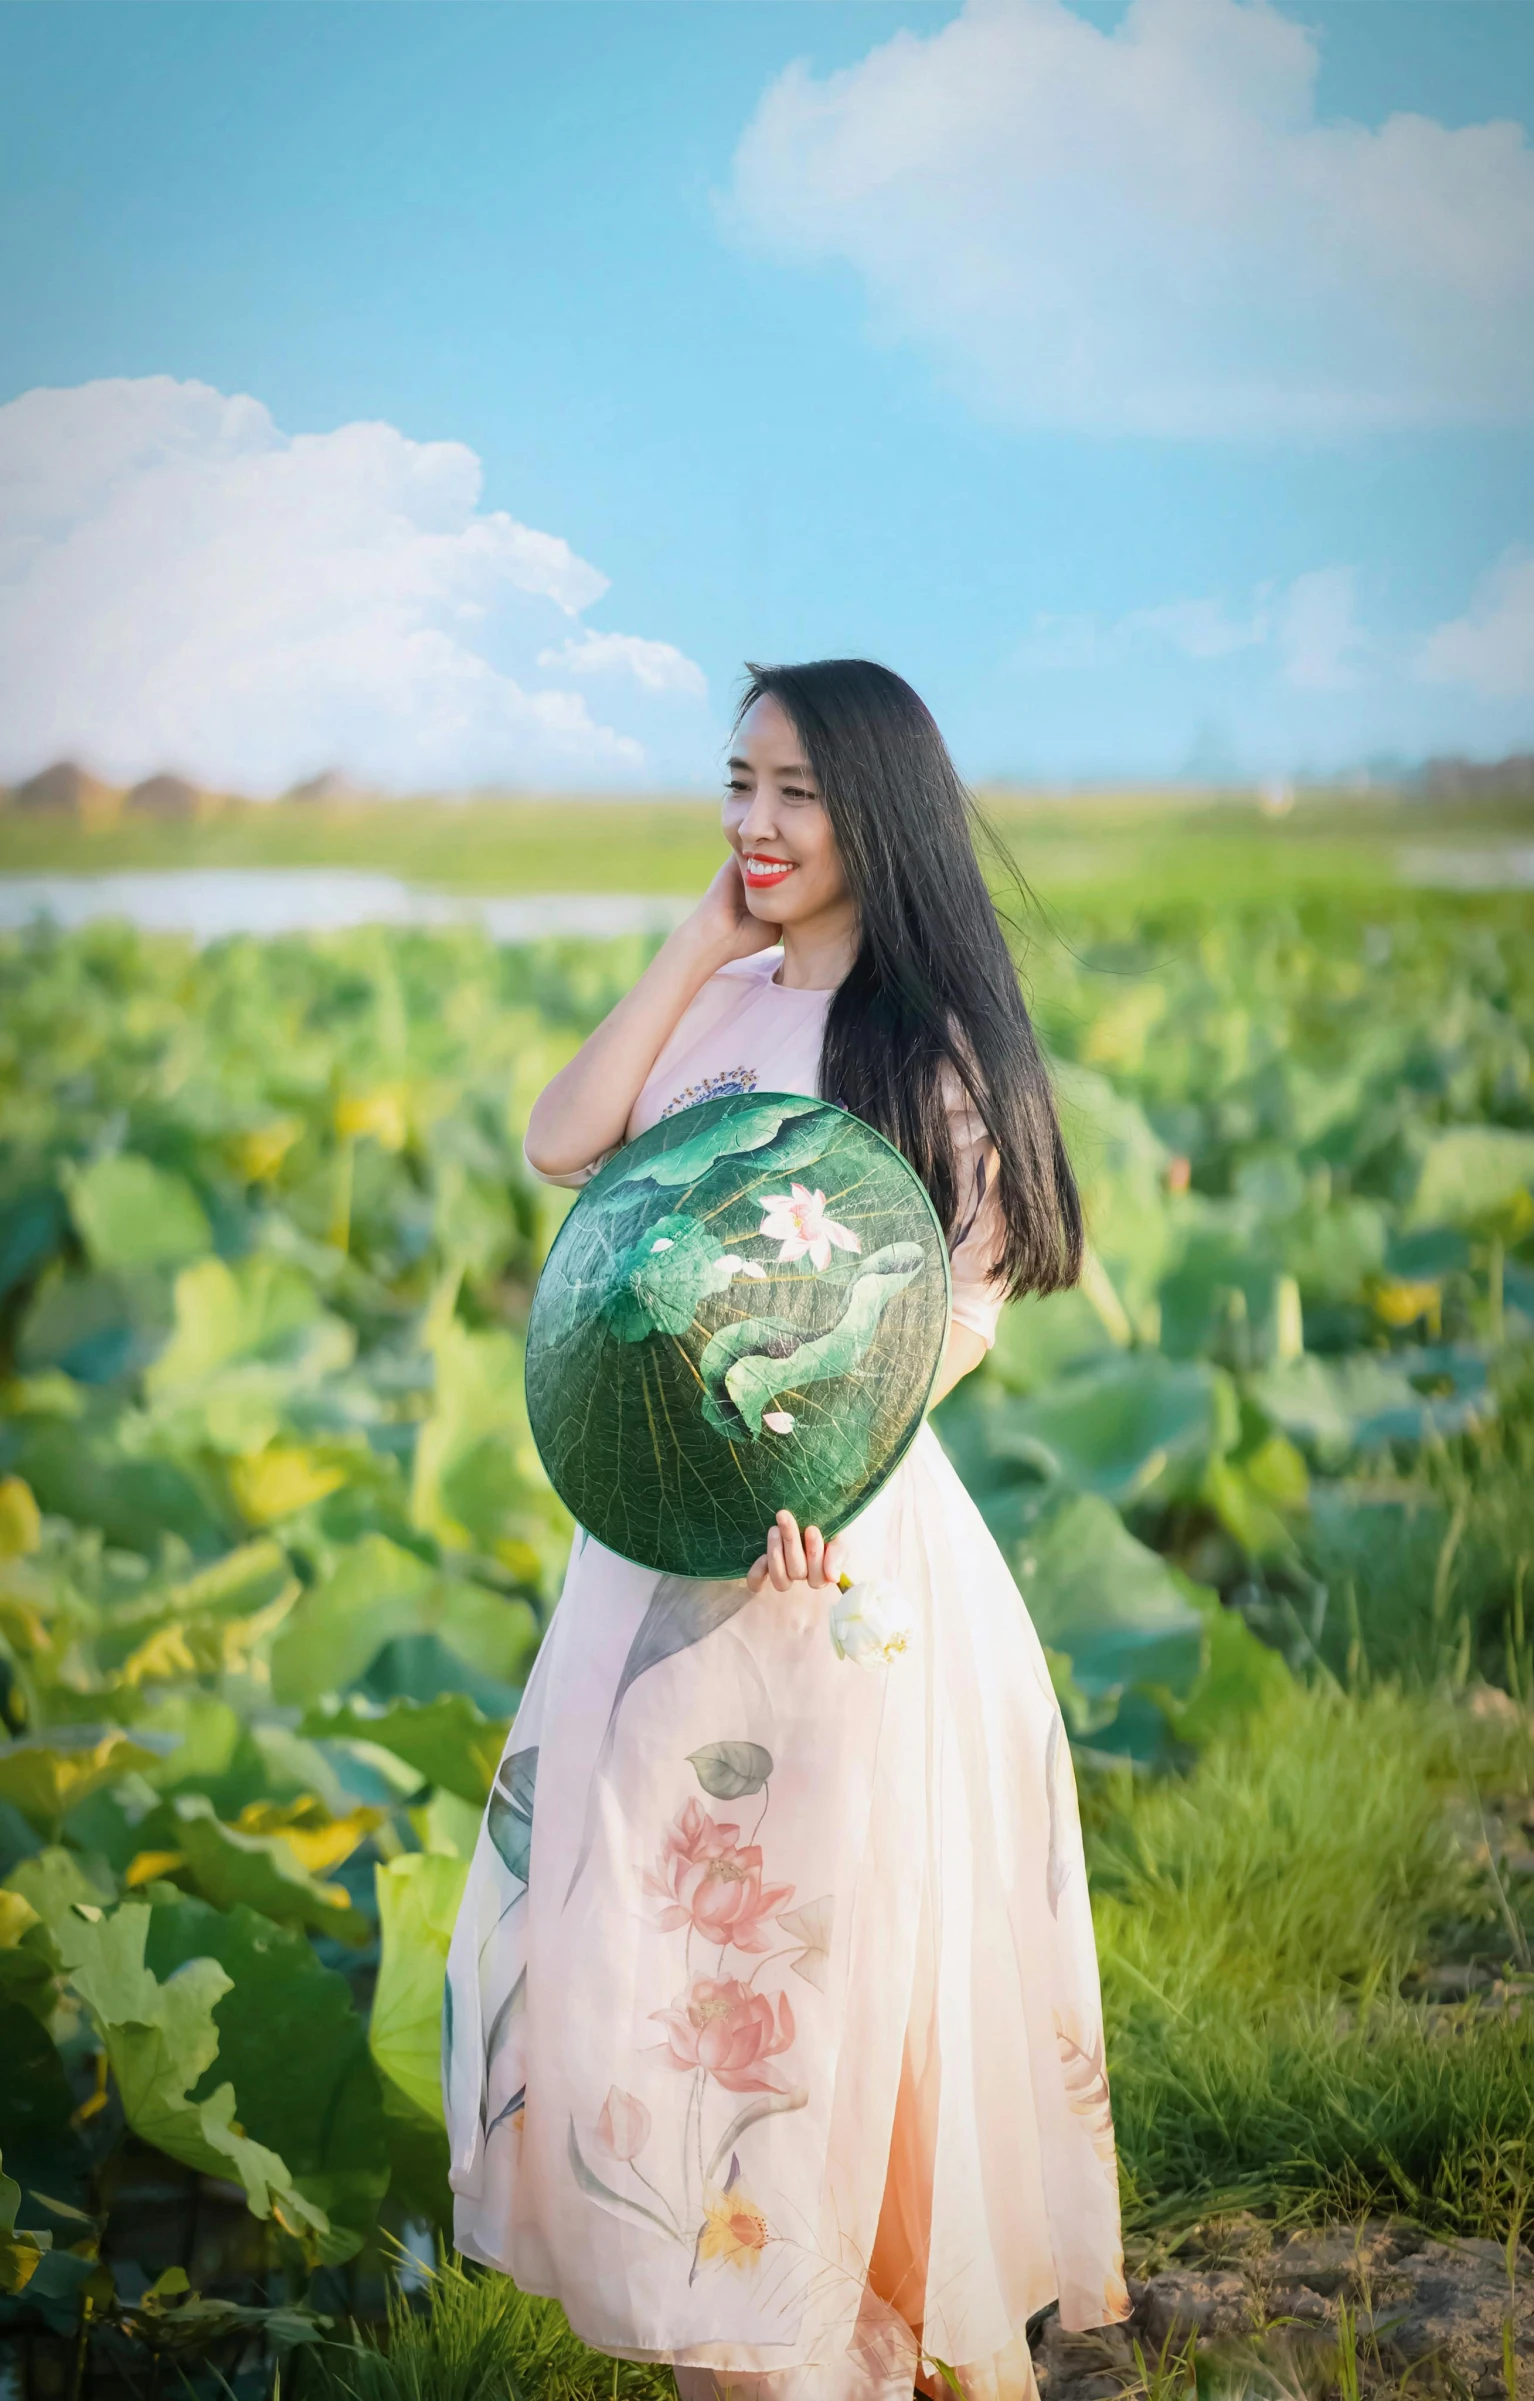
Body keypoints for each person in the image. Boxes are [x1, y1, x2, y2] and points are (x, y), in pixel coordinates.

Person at [444, 661, 1129, 2401]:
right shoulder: (712, 1003)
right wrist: (693, 948)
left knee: (822, 1967)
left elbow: (956, 1313)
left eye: (797, 795)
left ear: (876, 813)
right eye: (735, 784)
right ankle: (716, 2338)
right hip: (656, 1545)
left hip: (837, 1561)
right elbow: (558, 1143)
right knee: (643, 1958)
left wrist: (815, 1478)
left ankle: (826, 2346)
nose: (755, 824)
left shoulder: (939, 1050)